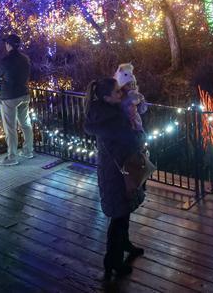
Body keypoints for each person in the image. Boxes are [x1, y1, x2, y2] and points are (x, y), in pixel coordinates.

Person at [84, 77, 145, 280]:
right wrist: (139, 135)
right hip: (118, 170)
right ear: (107, 97)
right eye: (117, 92)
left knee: (122, 211)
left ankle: (124, 243)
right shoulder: (114, 119)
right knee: (118, 215)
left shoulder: (103, 113)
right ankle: (113, 260)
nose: (122, 93)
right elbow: (131, 140)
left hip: (114, 168)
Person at [0, 33, 33, 166]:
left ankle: (12, 157)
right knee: (25, 123)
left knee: (10, 128)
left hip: (9, 96)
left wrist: (1, 80)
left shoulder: (5, 61)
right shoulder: (25, 59)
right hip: (24, 94)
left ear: (8, 45)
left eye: (6, 43)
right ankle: (28, 151)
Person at [114, 63, 148, 138]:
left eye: (133, 84)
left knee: (139, 135)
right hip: (124, 124)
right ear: (122, 85)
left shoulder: (138, 95)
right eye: (128, 85)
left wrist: (140, 103)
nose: (131, 86)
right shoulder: (119, 97)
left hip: (137, 122)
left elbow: (143, 109)